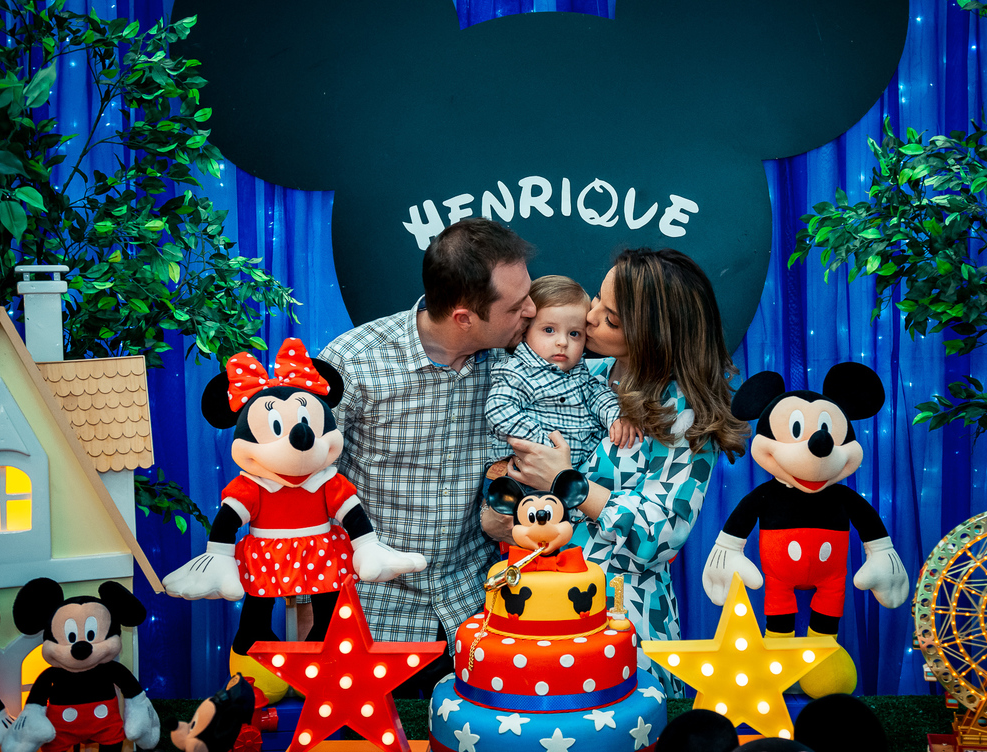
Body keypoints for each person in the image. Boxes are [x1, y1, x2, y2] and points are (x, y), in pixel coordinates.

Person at [495, 248, 750, 697]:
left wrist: (568, 483)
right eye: (597, 300)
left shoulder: (682, 413)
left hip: (621, 614)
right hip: (539, 600)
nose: (590, 317)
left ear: (653, 337)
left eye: (610, 319)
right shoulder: (579, 369)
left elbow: (659, 536)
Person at [317, 218, 536, 696]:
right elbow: (304, 481)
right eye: (516, 305)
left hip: (476, 611)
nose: (532, 310)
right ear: (464, 317)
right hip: (370, 615)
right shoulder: (353, 362)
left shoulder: (521, 363)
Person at [484, 275, 640, 473]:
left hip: (567, 474)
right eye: (549, 330)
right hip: (521, 471)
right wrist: (542, 443)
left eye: (574, 334)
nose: (562, 342)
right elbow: (498, 409)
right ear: (525, 331)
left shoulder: (579, 372)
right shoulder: (518, 371)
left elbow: (598, 395)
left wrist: (616, 416)